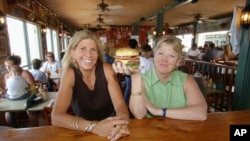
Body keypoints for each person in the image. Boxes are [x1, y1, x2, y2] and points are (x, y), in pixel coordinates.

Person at [51, 30, 130, 141]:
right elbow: (56, 117)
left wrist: (122, 121)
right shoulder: (70, 74)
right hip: (84, 131)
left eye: (93, 49)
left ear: (98, 54)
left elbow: (120, 105)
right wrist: (94, 127)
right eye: (83, 48)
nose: (89, 54)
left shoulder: (107, 69)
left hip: (112, 131)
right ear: (72, 52)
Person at [113, 35, 207, 121]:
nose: (164, 60)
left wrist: (158, 111)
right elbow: (139, 114)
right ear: (154, 55)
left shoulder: (186, 80)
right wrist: (135, 76)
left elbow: (201, 113)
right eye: (161, 53)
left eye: (171, 55)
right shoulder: (142, 80)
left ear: (178, 61)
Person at [3, 55, 38, 127]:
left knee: (30, 111)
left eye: (10, 65)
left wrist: (26, 89)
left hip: (26, 97)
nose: (8, 68)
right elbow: (8, 90)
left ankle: (35, 128)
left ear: (16, 65)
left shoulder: (24, 73)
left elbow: (33, 87)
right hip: (13, 99)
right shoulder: (6, 76)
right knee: (7, 114)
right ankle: (14, 131)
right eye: (6, 65)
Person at [123, 39, 139, 104]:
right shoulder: (136, 53)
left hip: (127, 72)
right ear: (136, 45)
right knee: (132, 88)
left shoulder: (126, 53)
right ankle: (127, 102)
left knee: (128, 87)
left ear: (129, 45)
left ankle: (126, 102)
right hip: (133, 72)